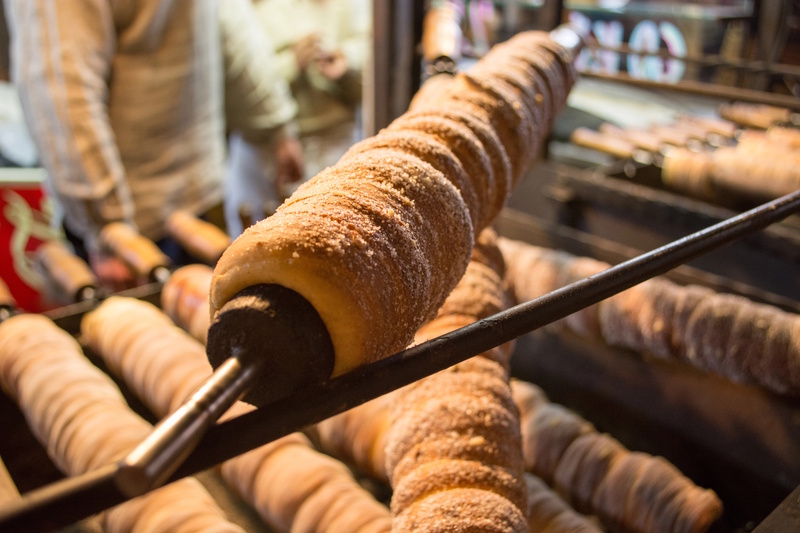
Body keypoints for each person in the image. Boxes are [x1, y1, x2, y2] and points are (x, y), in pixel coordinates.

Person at [4, 0, 303, 290]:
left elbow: (224, 18)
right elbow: (60, 89)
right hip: (131, 220)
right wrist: (107, 228)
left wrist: (274, 126)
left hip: (197, 198)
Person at [224, 0, 369, 235]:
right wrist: (291, 64)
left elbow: (374, 58)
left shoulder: (353, 6)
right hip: (262, 151)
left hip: (334, 145)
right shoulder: (245, 7)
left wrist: (347, 61)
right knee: (258, 241)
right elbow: (236, 75)